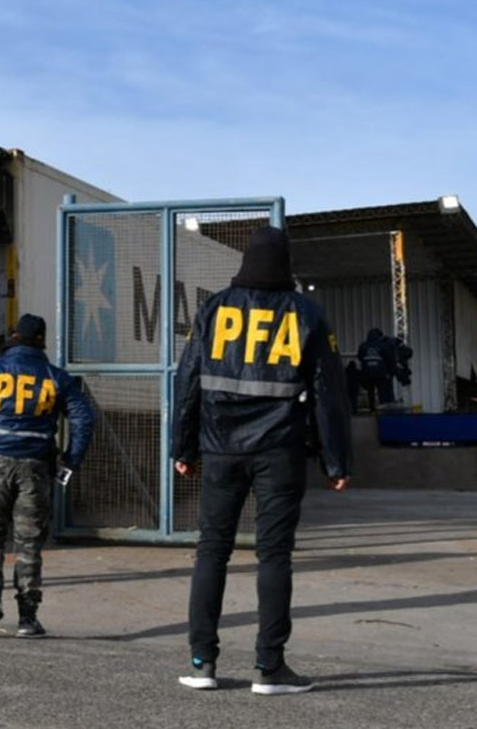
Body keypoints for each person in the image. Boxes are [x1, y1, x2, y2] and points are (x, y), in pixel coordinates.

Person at [171, 226, 352, 695]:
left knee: (212, 550)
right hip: (279, 452)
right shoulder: (306, 313)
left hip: (219, 449)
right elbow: (330, 394)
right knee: (274, 556)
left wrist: (182, 447)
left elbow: (187, 379)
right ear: (286, 262)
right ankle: (270, 668)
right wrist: (337, 461)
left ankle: (201, 663)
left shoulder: (214, 308)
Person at [0, 313, 95, 637]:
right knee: (29, 542)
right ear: (41, 342)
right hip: (35, 468)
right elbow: (84, 419)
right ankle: (27, 618)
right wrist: (70, 461)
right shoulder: (56, 377)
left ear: (14, 336)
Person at [357, 328, 396, 410]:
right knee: (382, 391)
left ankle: (372, 409)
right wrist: (390, 371)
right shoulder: (382, 345)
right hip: (380, 373)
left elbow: (360, 357)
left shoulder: (363, 346)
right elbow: (388, 358)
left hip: (367, 373)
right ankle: (382, 409)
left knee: (370, 391)